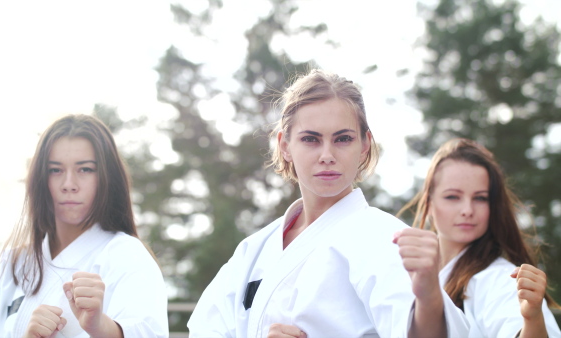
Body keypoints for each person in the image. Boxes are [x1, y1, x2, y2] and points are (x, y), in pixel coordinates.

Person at [187, 69, 469, 337]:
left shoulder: (382, 235)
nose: (327, 155)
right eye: (311, 139)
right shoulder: (254, 249)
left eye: (343, 139)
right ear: (284, 145)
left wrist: (429, 295)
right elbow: (205, 329)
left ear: (364, 145)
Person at [0, 114, 169, 337]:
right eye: (55, 170)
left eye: (85, 169)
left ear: (107, 178)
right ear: (41, 179)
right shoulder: (13, 265)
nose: (69, 184)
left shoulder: (127, 256)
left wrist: (100, 326)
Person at [398, 138, 561, 337]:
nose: (467, 210)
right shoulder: (401, 271)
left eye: (480, 198)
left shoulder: (500, 279)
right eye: (453, 197)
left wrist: (532, 318)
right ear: (429, 202)